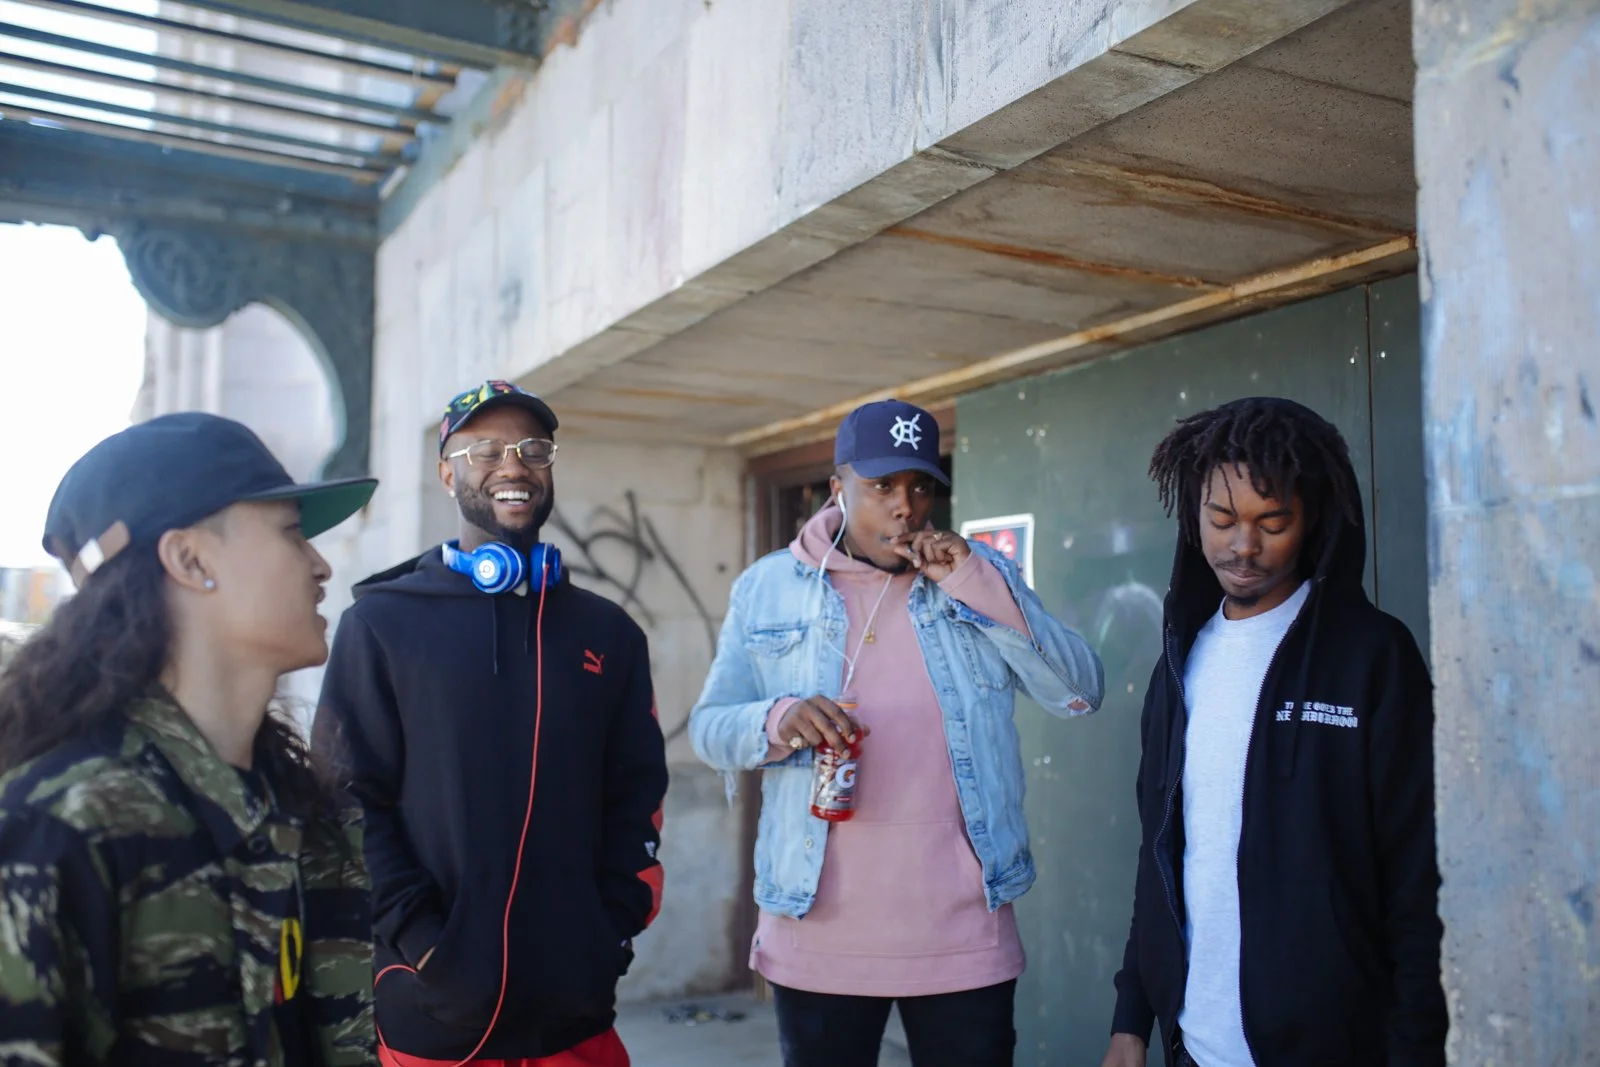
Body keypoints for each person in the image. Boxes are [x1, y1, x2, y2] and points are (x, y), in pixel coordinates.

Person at [690, 399, 1105, 1067]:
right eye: (882, 486)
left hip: (961, 936)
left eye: (919, 487)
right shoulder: (767, 587)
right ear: (838, 488)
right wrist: (777, 719)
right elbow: (709, 728)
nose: (905, 507)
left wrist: (975, 583)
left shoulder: (976, 575)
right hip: (816, 935)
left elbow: (1080, 691)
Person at [0, 412, 378, 1065]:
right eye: (292, 534)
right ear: (189, 559)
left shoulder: (303, 811)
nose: (320, 565)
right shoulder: (60, 826)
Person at [315, 380, 667, 1067]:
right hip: (431, 1011)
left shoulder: (609, 632)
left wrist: (611, 933)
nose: (514, 465)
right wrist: (425, 945)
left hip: (574, 1013)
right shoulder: (381, 624)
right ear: (448, 474)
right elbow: (345, 803)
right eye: (485, 451)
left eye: (533, 449)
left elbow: (637, 794)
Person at [1101, 397, 1446, 1067]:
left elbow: (1417, 875)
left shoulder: (1372, 655)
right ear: (1194, 516)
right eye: (1222, 519)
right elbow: (1161, 854)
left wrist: (1415, 1048)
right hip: (1194, 1047)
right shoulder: (1181, 662)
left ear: (1311, 518)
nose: (1243, 546)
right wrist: (1131, 1017)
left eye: (1273, 521)